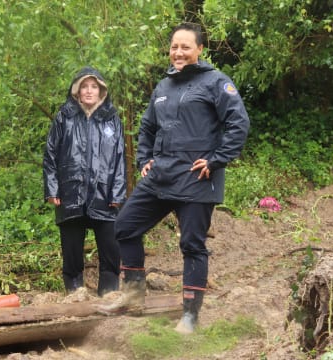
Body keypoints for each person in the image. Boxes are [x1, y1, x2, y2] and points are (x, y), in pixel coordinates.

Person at [106, 23, 250, 334]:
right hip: (161, 177)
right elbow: (147, 128)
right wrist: (145, 159)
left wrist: (216, 159)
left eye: (185, 47)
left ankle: (190, 315)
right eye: (174, 47)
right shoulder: (163, 87)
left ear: (200, 49)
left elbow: (238, 123)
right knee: (125, 227)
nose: (178, 52)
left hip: (197, 179)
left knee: (192, 245)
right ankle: (133, 297)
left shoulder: (216, 82)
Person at [43, 66, 126, 297]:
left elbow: (120, 158)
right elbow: (50, 154)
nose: (89, 91)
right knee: (71, 252)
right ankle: (75, 297)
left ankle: (109, 297)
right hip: (70, 193)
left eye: (94, 87)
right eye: (84, 87)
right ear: (76, 91)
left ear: (102, 91)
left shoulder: (112, 119)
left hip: (105, 193)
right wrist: (52, 189)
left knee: (111, 250)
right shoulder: (64, 117)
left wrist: (118, 194)